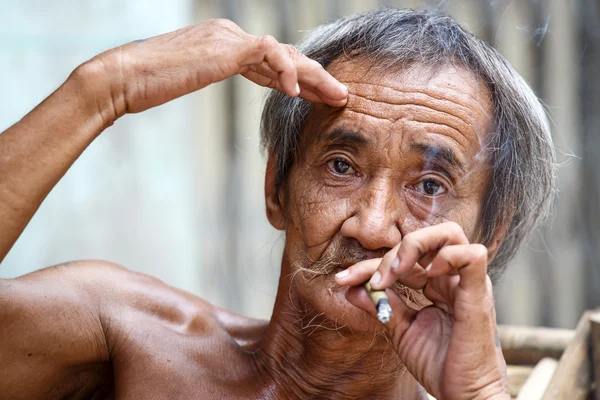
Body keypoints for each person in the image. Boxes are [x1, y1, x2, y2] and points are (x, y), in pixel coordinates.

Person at [0, 8, 555, 400]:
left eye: (428, 186)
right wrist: (104, 87)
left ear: (492, 231)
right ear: (277, 189)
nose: (374, 226)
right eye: (341, 166)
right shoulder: (132, 341)